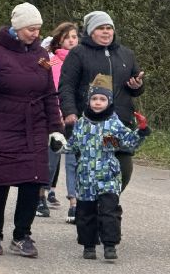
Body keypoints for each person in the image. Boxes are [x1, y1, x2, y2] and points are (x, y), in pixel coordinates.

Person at [0, 3, 65, 258]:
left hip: (32, 126)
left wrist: (55, 128)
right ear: (17, 28)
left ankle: (22, 234)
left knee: (31, 181)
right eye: (30, 29)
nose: (35, 34)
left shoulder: (42, 55)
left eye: (38, 29)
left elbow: (49, 92)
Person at [59, 10, 143, 189]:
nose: (106, 32)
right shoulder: (78, 54)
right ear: (91, 32)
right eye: (101, 28)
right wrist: (70, 112)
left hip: (116, 127)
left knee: (122, 169)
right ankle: (92, 210)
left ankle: (106, 206)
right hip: (91, 126)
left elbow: (136, 86)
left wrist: (137, 85)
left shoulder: (126, 54)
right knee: (93, 170)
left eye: (109, 28)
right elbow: (66, 86)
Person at [70, 74, 150, 261]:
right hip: (86, 178)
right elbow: (72, 145)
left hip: (109, 176)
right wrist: (58, 145)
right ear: (89, 101)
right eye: (94, 99)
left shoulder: (114, 124)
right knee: (85, 213)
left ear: (109, 101)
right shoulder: (81, 124)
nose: (98, 103)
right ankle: (88, 246)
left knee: (109, 211)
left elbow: (128, 143)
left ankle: (110, 245)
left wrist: (141, 130)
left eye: (102, 99)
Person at [47, 20, 80, 220]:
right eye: (67, 37)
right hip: (56, 115)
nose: (71, 40)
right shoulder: (51, 60)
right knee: (51, 159)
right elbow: (47, 85)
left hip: (75, 116)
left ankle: (74, 202)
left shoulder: (82, 60)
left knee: (73, 161)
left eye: (74, 37)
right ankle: (42, 193)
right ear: (58, 40)